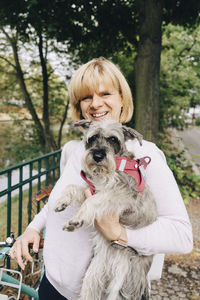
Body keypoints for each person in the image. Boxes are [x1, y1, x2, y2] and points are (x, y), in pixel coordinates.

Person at [10, 57, 193, 300]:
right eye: (86, 97)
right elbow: (58, 202)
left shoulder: (144, 155)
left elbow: (182, 235)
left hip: (110, 293)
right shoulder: (75, 149)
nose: (95, 104)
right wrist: (33, 228)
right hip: (52, 286)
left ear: (122, 99)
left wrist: (120, 233)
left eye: (105, 93)